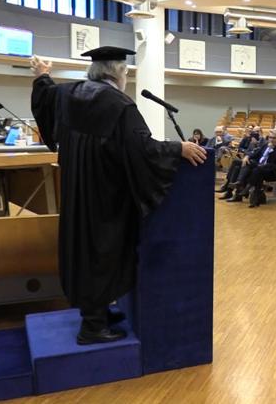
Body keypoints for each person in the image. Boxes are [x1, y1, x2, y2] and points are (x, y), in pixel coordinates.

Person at [29, 48, 206, 345]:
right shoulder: (120, 104)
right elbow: (143, 150)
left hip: (76, 190)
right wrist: (178, 149)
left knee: (84, 247)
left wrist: (42, 75)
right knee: (104, 250)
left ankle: (94, 311)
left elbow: (45, 98)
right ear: (117, 73)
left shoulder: (69, 93)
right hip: (106, 195)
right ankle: (93, 327)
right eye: (126, 73)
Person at [226, 131, 276, 204]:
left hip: (266, 169)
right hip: (258, 165)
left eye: (274, 138)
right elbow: (255, 153)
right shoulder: (265, 145)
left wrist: (271, 150)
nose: (272, 139)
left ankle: (237, 186)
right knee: (236, 163)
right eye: (270, 137)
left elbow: (273, 163)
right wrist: (247, 156)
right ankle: (230, 184)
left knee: (248, 165)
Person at [245, 134, 276, 208]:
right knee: (258, 172)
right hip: (275, 172)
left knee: (259, 170)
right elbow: (275, 164)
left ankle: (249, 188)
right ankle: (255, 199)